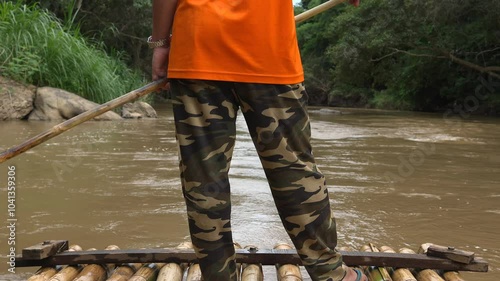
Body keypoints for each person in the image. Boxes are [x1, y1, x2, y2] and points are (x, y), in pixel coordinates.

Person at [151, 0, 366, 280]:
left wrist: (160, 43)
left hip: (198, 42)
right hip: (267, 45)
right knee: (293, 170)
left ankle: (217, 277)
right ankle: (331, 273)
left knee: (202, 178)